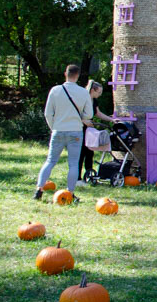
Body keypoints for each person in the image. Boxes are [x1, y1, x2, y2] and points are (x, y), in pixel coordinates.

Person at [35, 64, 93, 202]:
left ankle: (39, 190)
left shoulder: (55, 90)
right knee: (73, 164)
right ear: (78, 75)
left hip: (58, 130)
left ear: (65, 74)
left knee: (50, 161)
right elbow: (89, 114)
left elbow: (48, 113)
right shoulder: (83, 92)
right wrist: (81, 118)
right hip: (75, 131)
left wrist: (53, 127)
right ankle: (70, 193)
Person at [76, 80, 116, 186]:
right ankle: (77, 178)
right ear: (93, 90)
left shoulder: (94, 101)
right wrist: (83, 121)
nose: (100, 94)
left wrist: (111, 119)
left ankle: (89, 174)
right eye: (99, 92)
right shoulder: (82, 99)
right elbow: (74, 113)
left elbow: (98, 113)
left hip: (89, 128)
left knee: (90, 151)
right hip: (80, 128)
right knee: (81, 153)